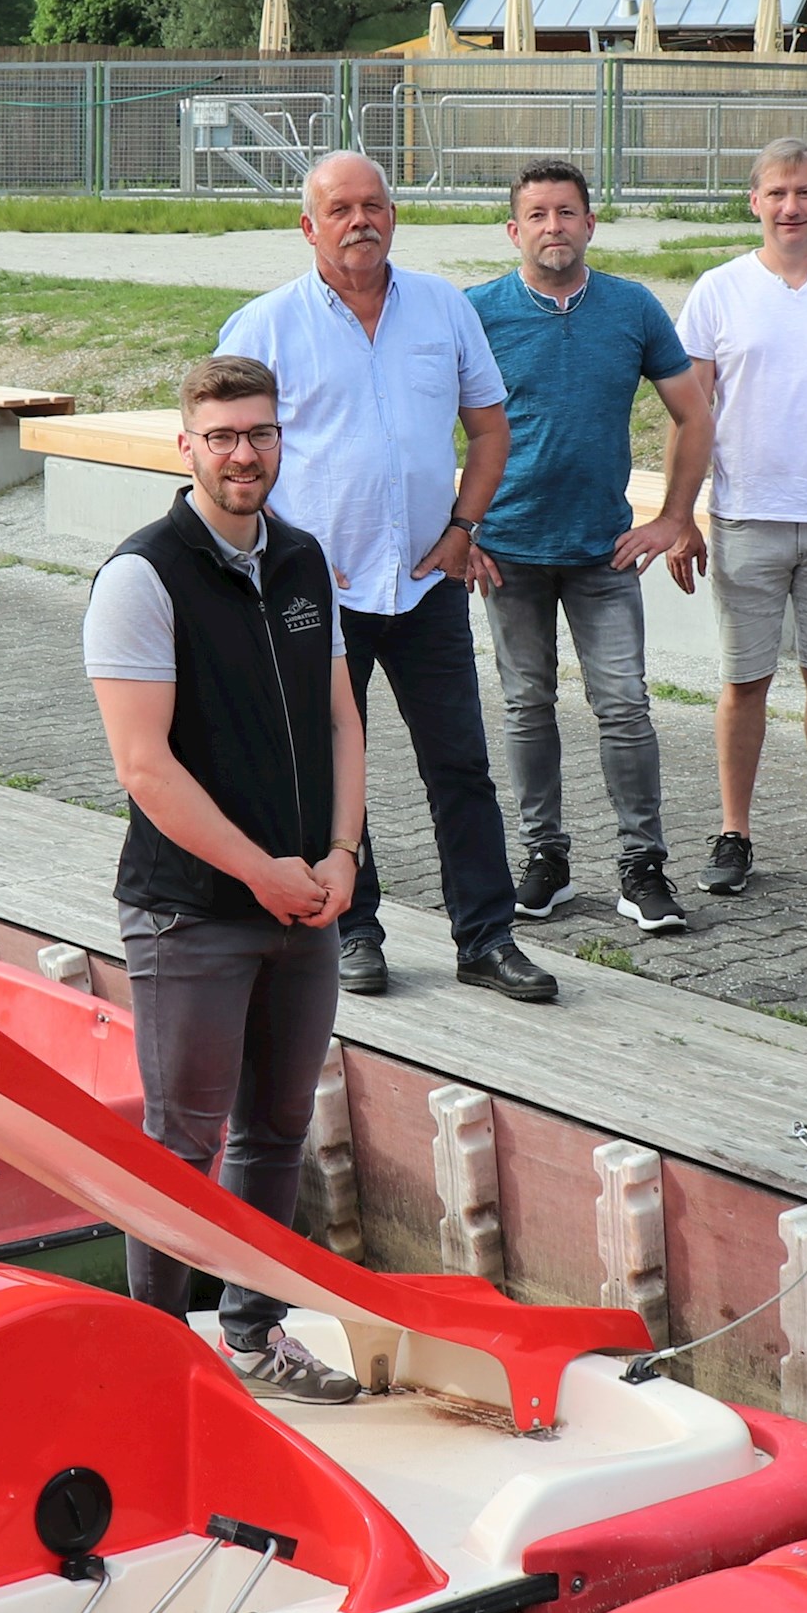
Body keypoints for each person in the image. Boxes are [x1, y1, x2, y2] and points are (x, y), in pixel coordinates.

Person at [84, 356, 371, 1405]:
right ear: (186, 447)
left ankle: (250, 1331)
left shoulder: (300, 559)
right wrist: (260, 873)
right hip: (191, 911)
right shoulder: (141, 576)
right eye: (222, 437)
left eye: (259, 433)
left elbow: (342, 718)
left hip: (305, 900)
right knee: (180, 1144)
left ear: (280, 440)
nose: (243, 453)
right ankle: (156, 1356)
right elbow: (143, 766)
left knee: (278, 1129)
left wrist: (341, 857)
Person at [218, 151, 557, 1004]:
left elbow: (488, 429)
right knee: (330, 769)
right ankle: (354, 930)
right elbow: (234, 457)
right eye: (339, 210)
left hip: (425, 583)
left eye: (374, 205)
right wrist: (280, 555)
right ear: (308, 226)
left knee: (461, 766)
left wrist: (462, 529)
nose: (359, 221)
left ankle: (486, 938)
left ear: (394, 215)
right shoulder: (263, 327)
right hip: (314, 591)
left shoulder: (443, 308)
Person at [465, 159, 718, 937]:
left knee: (625, 709)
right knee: (526, 707)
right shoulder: (475, 313)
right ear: (514, 231)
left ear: (589, 224)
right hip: (508, 550)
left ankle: (642, 868)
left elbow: (693, 415)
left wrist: (674, 517)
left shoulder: (632, 308)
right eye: (536, 215)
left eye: (566, 213)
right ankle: (545, 860)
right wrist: (456, 529)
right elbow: (427, 422)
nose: (553, 227)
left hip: (602, 550)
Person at [679, 137, 807, 898]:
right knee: (745, 683)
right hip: (745, 516)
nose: (791, 206)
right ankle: (734, 833)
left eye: (805, 192)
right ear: (754, 202)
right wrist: (682, 514)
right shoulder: (718, 290)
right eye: (777, 193)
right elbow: (689, 413)